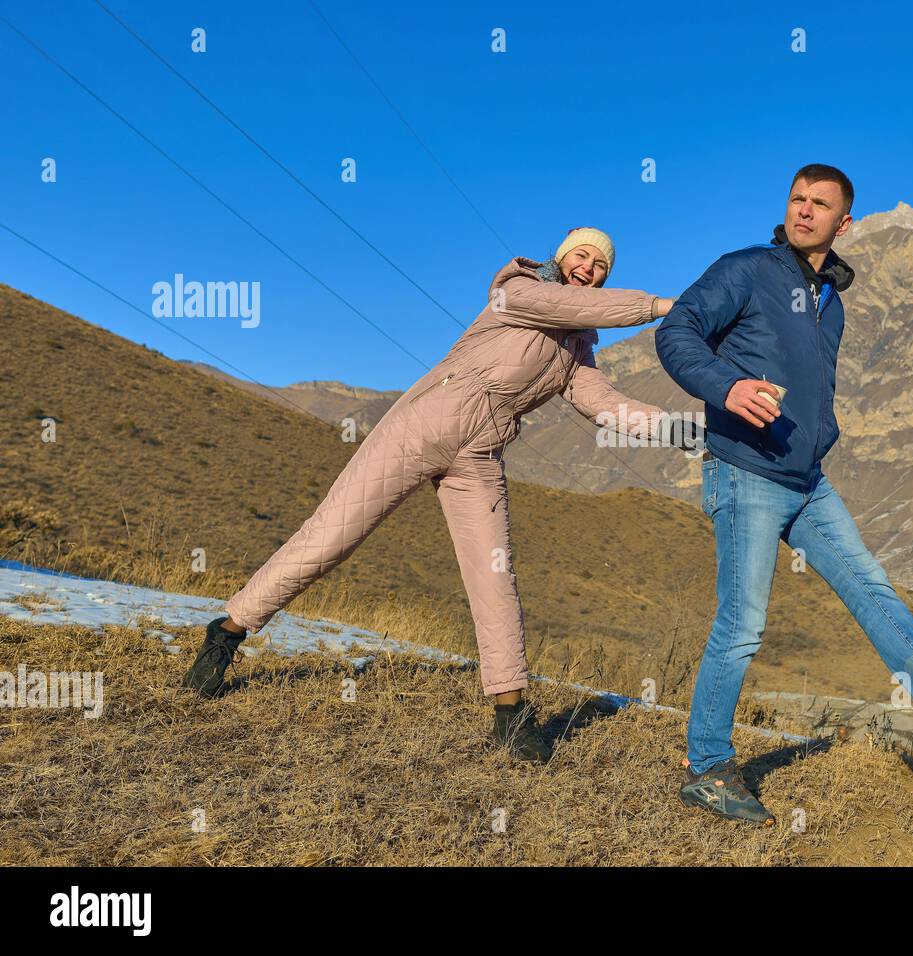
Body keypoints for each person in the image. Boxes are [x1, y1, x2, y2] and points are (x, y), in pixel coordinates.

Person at [185, 227, 691, 763]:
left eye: (601, 266)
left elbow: (607, 406)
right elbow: (560, 302)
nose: (590, 268)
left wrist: (684, 431)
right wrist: (660, 305)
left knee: (495, 575)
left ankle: (510, 717)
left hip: (479, 457)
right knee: (330, 539)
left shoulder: (576, 350)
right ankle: (227, 632)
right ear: (561, 258)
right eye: (582, 256)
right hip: (419, 428)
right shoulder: (518, 290)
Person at [655, 165, 913, 824]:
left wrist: (821, 437)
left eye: (820, 204)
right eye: (796, 199)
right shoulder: (747, 269)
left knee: (873, 589)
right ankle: (707, 768)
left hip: (807, 482)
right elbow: (677, 332)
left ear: (845, 224)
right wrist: (725, 387)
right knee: (743, 625)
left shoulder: (829, 302)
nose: (803, 211)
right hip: (744, 472)